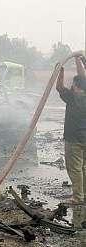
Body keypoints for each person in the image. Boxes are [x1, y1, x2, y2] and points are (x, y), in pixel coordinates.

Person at [56, 56, 86, 204]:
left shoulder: (73, 97)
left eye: (73, 83)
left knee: (74, 168)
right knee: (84, 167)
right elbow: (82, 77)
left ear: (75, 85)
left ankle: (78, 196)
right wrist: (78, 60)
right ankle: (84, 193)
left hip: (74, 139)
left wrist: (60, 71)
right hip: (85, 138)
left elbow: (59, 88)